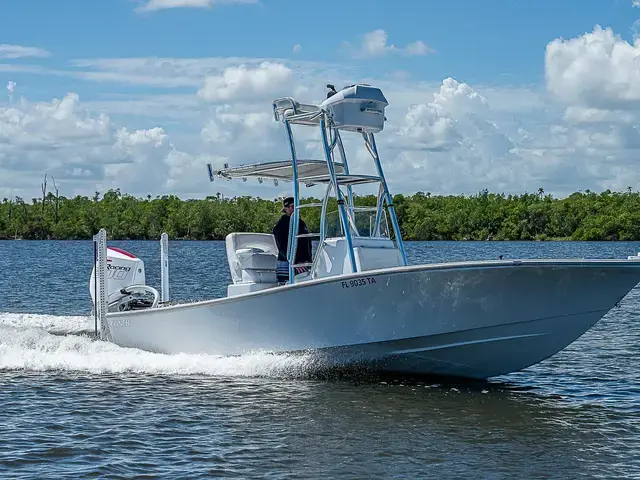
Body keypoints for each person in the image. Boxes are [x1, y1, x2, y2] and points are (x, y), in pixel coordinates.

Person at [272, 196, 313, 282]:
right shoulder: (279, 226)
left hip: (303, 263)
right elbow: (282, 247)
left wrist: (308, 260)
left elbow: (307, 243)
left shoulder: (301, 223)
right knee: (285, 287)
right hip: (287, 263)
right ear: (286, 209)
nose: (295, 208)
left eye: (297, 206)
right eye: (292, 206)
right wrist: (295, 262)